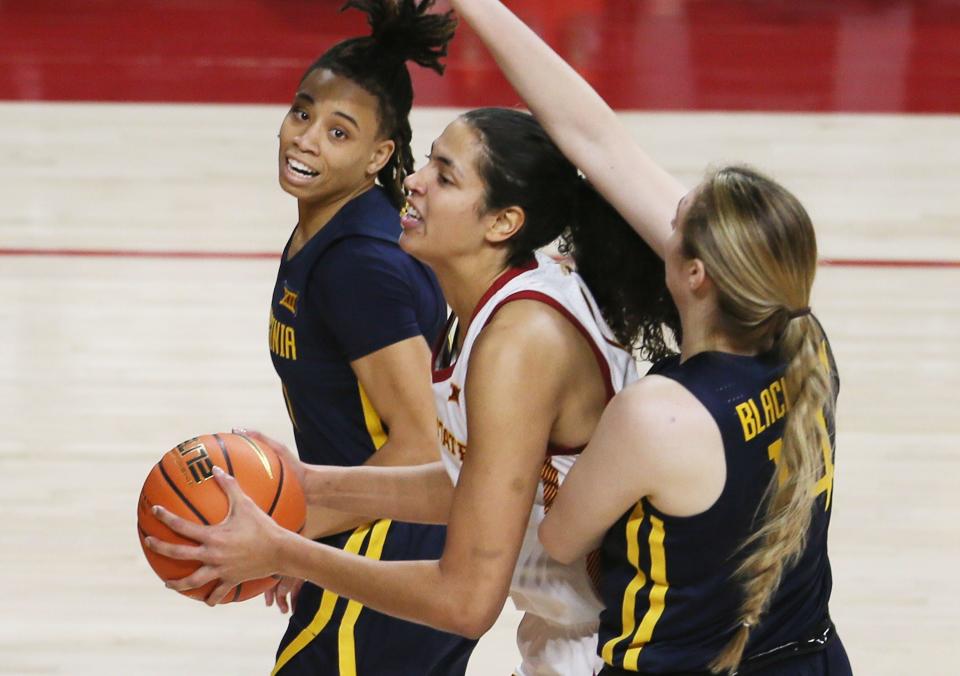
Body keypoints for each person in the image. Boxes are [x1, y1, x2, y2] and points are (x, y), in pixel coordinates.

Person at [146, 105, 678, 676]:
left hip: (634, 644)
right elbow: (482, 489)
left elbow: (467, 601)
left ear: (502, 223)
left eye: (445, 177)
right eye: (428, 160)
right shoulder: (497, 304)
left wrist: (286, 551)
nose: (414, 181)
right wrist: (311, 487)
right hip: (586, 633)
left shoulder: (521, 345)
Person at [444, 1, 852, 673]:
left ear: (694, 274)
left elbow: (563, 536)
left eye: (680, 214)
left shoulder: (655, 414)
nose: (665, 210)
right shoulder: (806, 340)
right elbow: (596, 139)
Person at [251, 0, 476, 673]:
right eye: (303, 112)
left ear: (381, 154)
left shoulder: (359, 266)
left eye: (339, 133)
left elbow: (419, 437)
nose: (307, 138)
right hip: (381, 532)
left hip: (394, 545)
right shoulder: (334, 225)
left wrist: (300, 531)